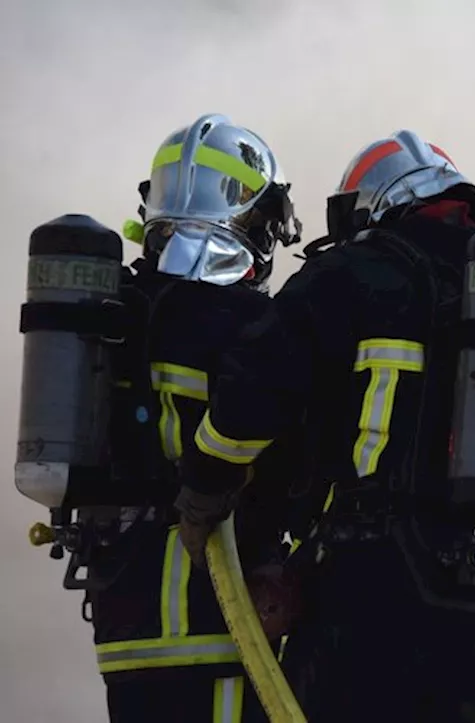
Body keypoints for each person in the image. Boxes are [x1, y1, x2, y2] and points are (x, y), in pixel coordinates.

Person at [173, 130, 475, 722]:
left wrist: (205, 484)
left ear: (370, 206)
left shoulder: (349, 275)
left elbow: (254, 391)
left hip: (363, 606)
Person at [91, 112, 301, 723]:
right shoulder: (244, 326)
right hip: (220, 622)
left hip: (126, 625)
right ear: (251, 215)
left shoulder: (116, 311)